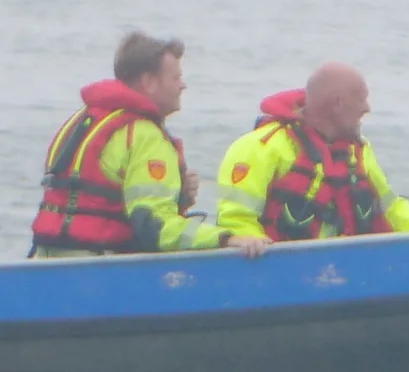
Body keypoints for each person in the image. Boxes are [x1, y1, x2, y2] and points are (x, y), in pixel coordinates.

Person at [30, 31, 264, 258]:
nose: (183, 86)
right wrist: (225, 239)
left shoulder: (83, 120)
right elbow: (155, 225)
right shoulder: (144, 135)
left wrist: (179, 196)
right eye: (176, 78)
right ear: (149, 82)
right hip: (102, 266)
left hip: (49, 259)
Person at [213, 62, 409, 246]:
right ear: (338, 104)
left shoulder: (358, 151)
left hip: (348, 268)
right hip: (282, 270)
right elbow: (236, 219)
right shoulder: (260, 147)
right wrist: (256, 248)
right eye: (361, 98)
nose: (367, 108)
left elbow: (392, 209)